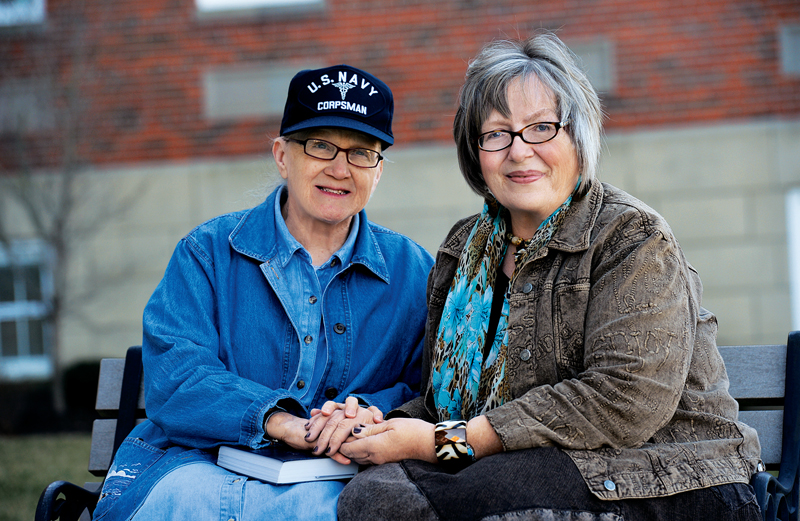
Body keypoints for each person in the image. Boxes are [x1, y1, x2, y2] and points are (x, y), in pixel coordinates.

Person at [337, 32, 763, 521]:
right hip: (523, 464)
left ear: (578, 137)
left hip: (666, 476)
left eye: (541, 128)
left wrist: (445, 442)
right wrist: (375, 426)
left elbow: (625, 399)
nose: (519, 152)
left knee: (446, 504)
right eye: (497, 133)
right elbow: (442, 406)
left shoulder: (631, 237)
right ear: (475, 151)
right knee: (376, 494)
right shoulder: (463, 249)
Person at [92, 64, 434, 521]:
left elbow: (428, 389)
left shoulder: (415, 272)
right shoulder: (207, 253)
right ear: (282, 156)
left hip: (339, 476)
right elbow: (177, 375)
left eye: (360, 153)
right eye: (320, 145)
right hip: (196, 463)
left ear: (378, 172)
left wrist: (367, 414)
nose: (340, 169)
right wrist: (280, 422)